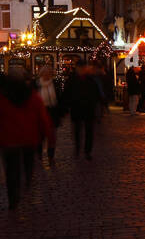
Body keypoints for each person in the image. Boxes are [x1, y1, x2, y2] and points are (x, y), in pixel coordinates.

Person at [0, 60, 56, 207]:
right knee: (28, 162)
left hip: (8, 139)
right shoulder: (33, 97)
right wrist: (49, 136)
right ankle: (27, 181)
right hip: (29, 138)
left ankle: (13, 196)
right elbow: (43, 119)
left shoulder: (3, 98)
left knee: (11, 168)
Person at [61, 58, 107, 160]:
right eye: (81, 67)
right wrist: (66, 106)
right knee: (77, 131)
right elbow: (67, 94)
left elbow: (97, 92)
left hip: (88, 109)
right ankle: (78, 149)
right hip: (76, 108)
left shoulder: (90, 79)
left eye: (84, 67)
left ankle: (87, 151)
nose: (83, 69)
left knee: (89, 131)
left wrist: (99, 102)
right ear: (77, 68)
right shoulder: (72, 79)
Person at [36, 63, 62, 166]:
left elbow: (59, 99)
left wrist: (60, 112)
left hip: (52, 113)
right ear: (41, 74)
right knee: (40, 136)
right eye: (45, 73)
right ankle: (39, 155)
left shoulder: (55, 84)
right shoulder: (37, 85)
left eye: (49, 73)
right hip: (40, 113)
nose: (47, 75)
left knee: (52, 136)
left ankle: (51, 156)